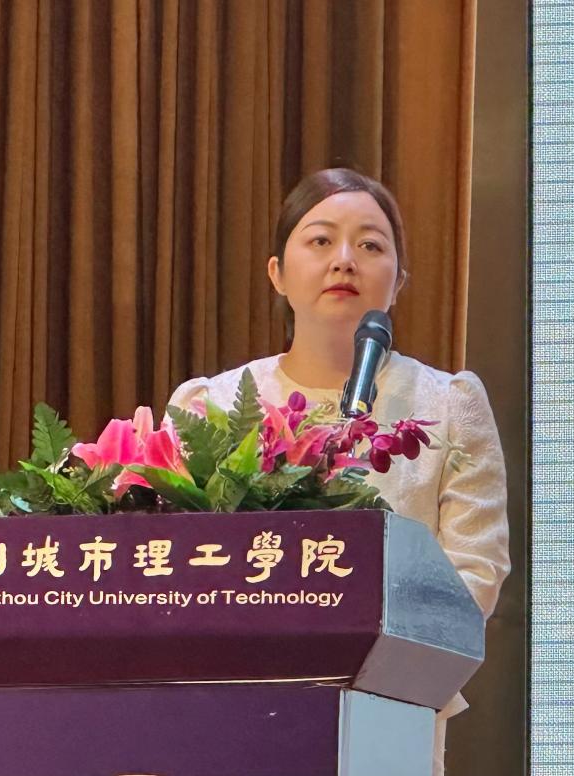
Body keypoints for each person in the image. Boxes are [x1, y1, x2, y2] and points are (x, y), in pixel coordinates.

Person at [167, 168, 511, 775]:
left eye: (370, 245)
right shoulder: (211, 406)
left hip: (390, 710)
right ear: (277, 273)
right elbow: (172, 563)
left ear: (398, 282)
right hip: (233, 710)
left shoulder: (449, 404)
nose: (344, 260)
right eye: (321, 240)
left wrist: (373, 667)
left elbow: (475, 573)